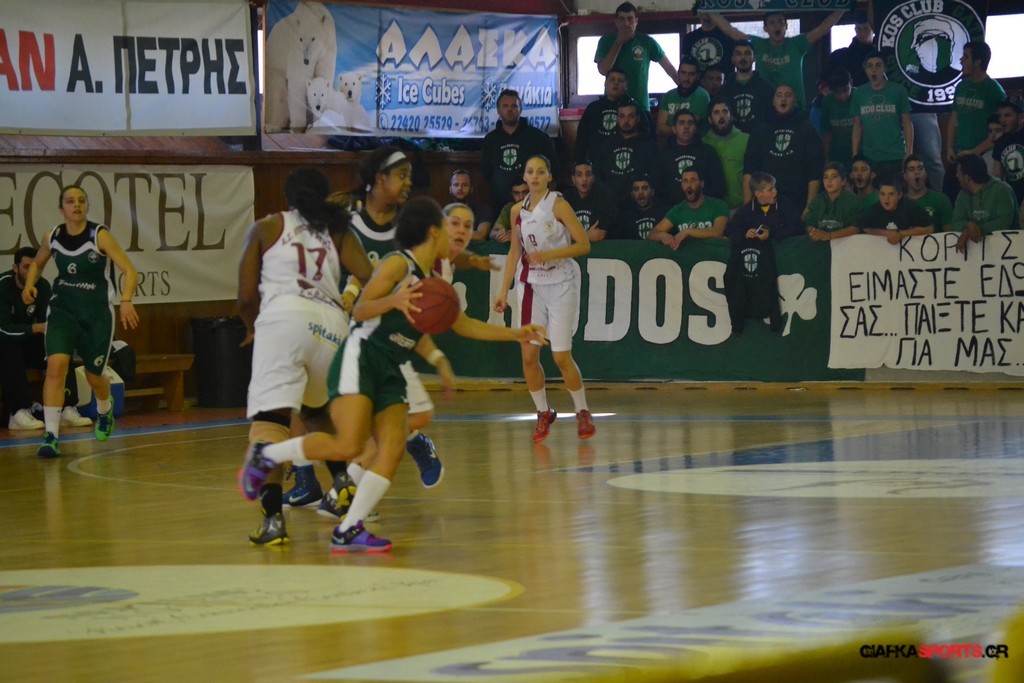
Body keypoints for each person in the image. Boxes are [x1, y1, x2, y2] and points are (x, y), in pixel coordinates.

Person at [239, 197, 547, 553]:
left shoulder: (435, 280)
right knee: (350, 445)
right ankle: (268, 456)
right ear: (433, 232)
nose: (457, 237)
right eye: (449, 227)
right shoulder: (398, 263)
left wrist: (516, 333)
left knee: (393, 448)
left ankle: (349, 528)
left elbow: (463, 325)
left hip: (392, 364)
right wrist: (394, 301)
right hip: (364, 356)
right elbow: (361, 310)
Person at [237, 167, 374, 545]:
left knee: (270, 422)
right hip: (331, 325)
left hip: (283, 320)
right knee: (317, 415)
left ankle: (273, 522)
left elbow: (245, 296)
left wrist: (252, 327)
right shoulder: (337, 229)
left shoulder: (266, 227)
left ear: (287, 197)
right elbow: (369, 276)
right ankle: (343, 485)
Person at [21, 185, 139, 458]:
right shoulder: (53, 236)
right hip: (63, 310)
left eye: (81, 200)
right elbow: (38, 263)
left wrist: (126, 300)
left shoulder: (99, 235)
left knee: (94, 375)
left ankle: (104, 409)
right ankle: (51, 436)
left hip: (96, 314)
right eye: (70, 201)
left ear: (86, 206)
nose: (76, 205)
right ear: (61, 208)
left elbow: (129, 270)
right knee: (56, 366)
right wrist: (29, 284)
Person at [494, 155, 595, 444]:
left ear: (549, 176)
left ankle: (582, 410)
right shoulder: (517, 211)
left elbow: (584, 245)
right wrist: (503, 290)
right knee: (528, 355)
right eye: (530, 171)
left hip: (561, 282)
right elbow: (515, 252)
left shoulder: (559, 205)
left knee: (561, 356)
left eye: (540, 172)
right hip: (531, 286)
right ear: (524, 177)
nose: (535, 176)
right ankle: (543, 412)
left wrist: (550, 254)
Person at [1, 247, 92, 431]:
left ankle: (66, 408)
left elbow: (48, 320)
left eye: (35, 267)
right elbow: (3, 328)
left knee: (60, 346)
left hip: (26, 342)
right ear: (15, 268)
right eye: (26, 267)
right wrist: (33, 328)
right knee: (9, 346)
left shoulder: (42, 286)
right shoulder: (3, 286)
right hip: (5, 343)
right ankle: (17, 412)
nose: (31, 272)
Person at [709, 9, 844, 108]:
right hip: (766, 108)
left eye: (780, 22)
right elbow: (730, 30)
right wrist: (708, 9)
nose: (777, 26)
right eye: (772, 23)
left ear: (786, 26)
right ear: (766, 28)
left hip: (795, 108)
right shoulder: (758, 44)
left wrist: (844, 7)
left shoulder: (797, 44)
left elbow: (823, 28)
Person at [743, 84, 824, 212]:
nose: (783, 99)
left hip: (798, 201)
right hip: (765, 202)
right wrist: (748, 208)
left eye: (788, 95)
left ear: (794, 101)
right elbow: (749, 170)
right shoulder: (760, 130)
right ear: (773, 101)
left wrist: (810, 207)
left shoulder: (808, 130)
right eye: (779, 95)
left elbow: (815, 172)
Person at [481, 89, 558, 216]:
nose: (510, 110)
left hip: (534, 207)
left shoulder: (538, 137)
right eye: (505, 106)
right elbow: (486, 173)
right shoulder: (490, 140)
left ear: (520, 109)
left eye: (514, 106)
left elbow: (552, 169)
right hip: (500, 206)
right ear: (498, 110)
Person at [595, 2, 679, 117]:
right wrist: (619, 42)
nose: (626, 23)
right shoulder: (606, 41)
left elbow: (669, 68)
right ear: (616, 22)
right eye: (622, 19)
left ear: (636, 21)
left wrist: (685, 90)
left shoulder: (647, 42)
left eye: (630, 19)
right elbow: (603, 70)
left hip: (640, 107)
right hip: (612, 107)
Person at [851, 51, 913, 180]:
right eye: (870, 66)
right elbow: (857, 125)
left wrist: (909, 151)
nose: (874, 70)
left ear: (885, 68)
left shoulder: (898, 91)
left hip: (895, 154)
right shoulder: (859, 93)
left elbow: (907, 122)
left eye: (878, 65)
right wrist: (855, 154)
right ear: (866, 69)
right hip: (869, 156)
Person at [945, 42, 1007, 167]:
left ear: (977, 62)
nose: (961, 60)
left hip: (985, 154)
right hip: (961, 152)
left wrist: (975, 151)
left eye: (966, 56)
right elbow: (954, 119)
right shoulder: (961, 86)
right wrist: (949, 146)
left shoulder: (994, 89)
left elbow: (1003, 128)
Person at [593, 99, 658, 210]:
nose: (626, 121)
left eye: (631, 116)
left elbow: (655, 176)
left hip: (639, 206)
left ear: (638, 119)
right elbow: (598, 175)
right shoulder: (606, 146)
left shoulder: (648, 145)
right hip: (611, 203)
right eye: (622, 116)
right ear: (617, 119)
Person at [950, 153, 1019, 255]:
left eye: (958, 173)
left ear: (967, 178)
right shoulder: (962, 195)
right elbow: (955, 223)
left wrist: (975, 230)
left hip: (1008, 252)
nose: (956, 176)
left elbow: (1004, 222)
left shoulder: (1002, 190)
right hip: (976, 256)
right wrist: (969, 225)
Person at [574, 68, 646, 163]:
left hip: (627, 160)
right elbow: (582, 139)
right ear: (605, 83)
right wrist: (579, 162)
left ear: (626, 86)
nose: (616, 83)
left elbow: (645, 138)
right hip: (597, 161)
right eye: (612, 80)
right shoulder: (593, 108)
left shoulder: (634, 109)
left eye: (620, 81)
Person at [657, 109, 726, 207]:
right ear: (674, 129)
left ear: (696, 128)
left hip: (705, 209)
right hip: (673, 211)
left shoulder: (707, 152)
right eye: (681, 123)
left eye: (690, 123)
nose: (686, 126)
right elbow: (659, 189)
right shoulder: (664, 155)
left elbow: (718, 185)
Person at [648, 168, 729, 249]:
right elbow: (652, 234)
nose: (689, 185)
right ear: (681, 185)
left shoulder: (718, 205)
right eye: (685, 181)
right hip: (688, 255)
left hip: (712, 254)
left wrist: (688, 232)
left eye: (693, 180)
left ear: (701, 184)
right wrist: (661, 235)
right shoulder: (677, 210)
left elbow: (718, 232)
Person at [857, 174, 934, 245]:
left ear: (899, 195)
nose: (886, 199)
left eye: (891, 194)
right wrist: (886, 233)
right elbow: (864, 228)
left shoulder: (909, 207)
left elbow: (929, 228)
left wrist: (901, 234)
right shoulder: (875, 209)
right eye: (882, 194)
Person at [728, 172, 803, 243]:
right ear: (758, 194)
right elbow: (730, 232)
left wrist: (770, 234)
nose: (775, 191)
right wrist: (745, 234)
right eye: (770, 190)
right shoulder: (745, 211)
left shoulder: (785, 204)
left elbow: (797, 228)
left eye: (775, 187)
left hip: (783, 247)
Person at [717, 40, 774, 134]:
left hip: (759, 138)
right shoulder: (724, 89)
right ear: (733, 59)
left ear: (754, 58)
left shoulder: (766, 87)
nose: (743, 57)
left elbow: (771, 117)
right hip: (731, 139)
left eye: (747, 53)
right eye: (738, 54)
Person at [703, 98, 749, 210]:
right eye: (716, 112)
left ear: (731, 116)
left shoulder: (746, 140)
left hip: (740, 208)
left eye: (725, 111)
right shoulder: (703, 143)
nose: (721, 116)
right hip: (711, 210)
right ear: (709, 119)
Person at [655, 56, 711, 141]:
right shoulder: (668, 96)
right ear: (678, 73)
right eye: (683, 73)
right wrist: (678, 130)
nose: (686, 78)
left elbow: (689, 128)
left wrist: (670, 129)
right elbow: (660, 129)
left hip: (694, 143)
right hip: (670, 144)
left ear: (698, 76)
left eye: (691, 74)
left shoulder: (702, 96)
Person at [563, 160, 619, 243]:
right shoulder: (565, 198)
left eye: (588, 174)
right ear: (573, 179)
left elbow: (598, 232)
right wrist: (586, 236)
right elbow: (557, 233)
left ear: (593, 178)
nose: (584, 179)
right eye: (579, 175)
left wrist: (573, 236)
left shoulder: (605, 198)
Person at [805, 162, 862, 242]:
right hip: (821, 244)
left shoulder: (853, 200)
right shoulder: (817, 201)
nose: (829, 181)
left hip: (846, 244)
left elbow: (855, 229)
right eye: (826, 177)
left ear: (843, 181)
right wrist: (813, 232)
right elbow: (809, 223)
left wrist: (829, 235)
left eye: (834, 177)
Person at [903, 154, 954, 232]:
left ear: (925, 174)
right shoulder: (900, 202)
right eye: (911, 169)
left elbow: (950, 233)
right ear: (905, 176)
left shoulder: (940, 199)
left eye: (920, 168)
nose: (916, 172)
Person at [823, 11, 874, 87]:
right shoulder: (839, 57)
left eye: (866, 28)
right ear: (855, 30)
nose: (862, 32)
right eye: (859, 28)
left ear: (872, 29)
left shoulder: (881, 53)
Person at [820, 68, 856, 172]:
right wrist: (826, 158)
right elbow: (827, 134)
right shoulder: (827, 102)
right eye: (837, 92)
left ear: (851, 83)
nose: (842, 96)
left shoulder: (860, 96)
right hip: (837, 153)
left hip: (860, 152)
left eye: (845, 90)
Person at [992, 100, 1024, 206]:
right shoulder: (1000, 140)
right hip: (1012, 197)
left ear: (1020, 117)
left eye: (1007, 115)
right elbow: (997, 173)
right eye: (1000, 116)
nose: (1002, 120)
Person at [447, 169, 493, 242]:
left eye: (465, 185)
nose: (460, 188)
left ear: (471, 189)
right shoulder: (442, 213)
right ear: (450, 189)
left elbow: (481, 235)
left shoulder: (483, 210)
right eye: (456, 185)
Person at [620, 173, 667, 240]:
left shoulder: (664, 214)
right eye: (636, 189)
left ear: (652, 192)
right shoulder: (625, 218)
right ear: (632, 194)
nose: (640, 192)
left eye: (644, 188)